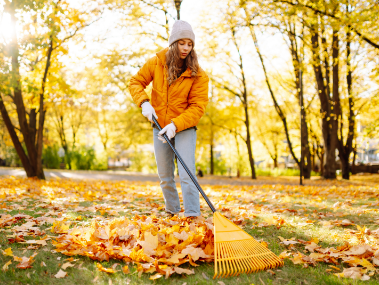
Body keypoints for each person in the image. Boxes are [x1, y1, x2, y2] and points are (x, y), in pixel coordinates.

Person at [129, 20, 209, 218]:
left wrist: (176, 125)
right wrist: (144, 103)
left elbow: (197, 108)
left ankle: (192, 216)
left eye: (190, 44)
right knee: (165, 176)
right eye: (182, 43)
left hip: (184, 128)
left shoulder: (198, 75)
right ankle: (172, 213)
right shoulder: (157, 62)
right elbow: (135, 82)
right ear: (174, 43)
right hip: (159, 126)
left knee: (187, 173)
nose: (186, 48)